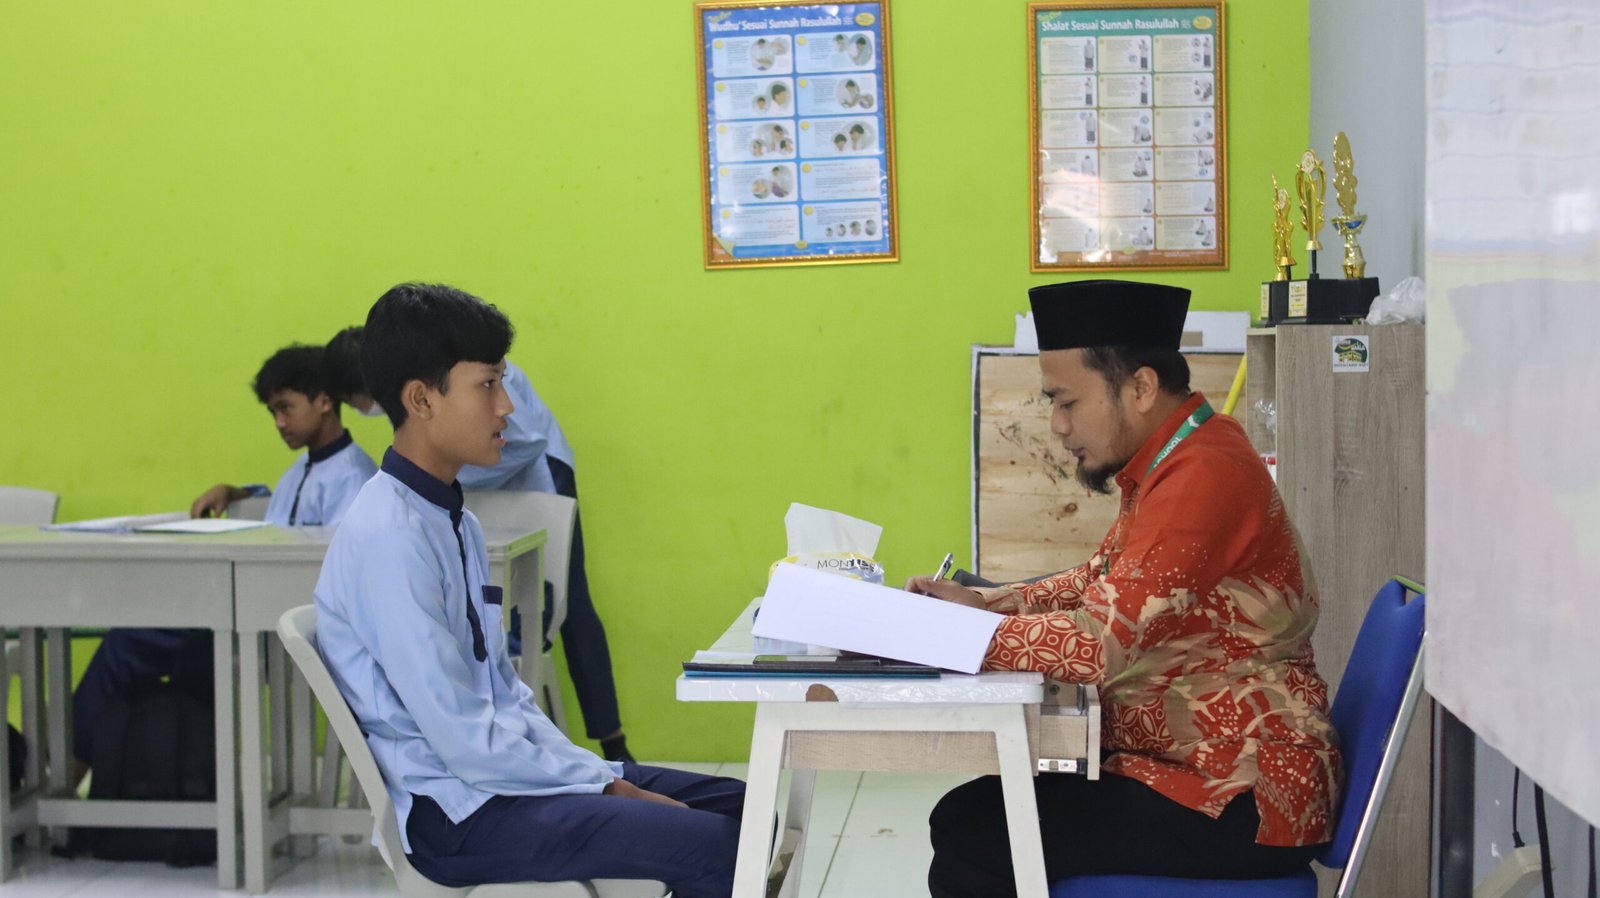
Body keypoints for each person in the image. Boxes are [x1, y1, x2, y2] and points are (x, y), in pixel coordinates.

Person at [907, 280, 1340, 896]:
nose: (1058, 426)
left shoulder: (1204, 474)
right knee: (963, 819)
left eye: (1067, 402)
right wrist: (983, 602)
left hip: (1242, 792)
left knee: (979, 844)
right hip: (1199, 770)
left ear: (1140, 388)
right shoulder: (1180, 457)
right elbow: (1099, 579)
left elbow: (1097, 645)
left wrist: (956, 634)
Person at [315, 283, 743, 894]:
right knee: (720, 845)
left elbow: (503, 695)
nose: (507, 407)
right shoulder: (390, 536)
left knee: (747, 807)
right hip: (459, 811)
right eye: (488, 385)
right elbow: (462, 738)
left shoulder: (453, 519)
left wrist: (592, 774)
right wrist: (605, 787)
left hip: (501, 779)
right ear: (422, 399)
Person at [324, 322, 638, 764]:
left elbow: (528, 443)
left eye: (358, 401)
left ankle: (612, 741)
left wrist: (450, 471)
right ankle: (526, 744)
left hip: (542, 477)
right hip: (486, 494)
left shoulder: (466, 381)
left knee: (569, 606)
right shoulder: (393, 515)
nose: (364, 410)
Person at [74, 345, 377, 776]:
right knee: (150, 659)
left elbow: (330, 568)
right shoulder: (301, 471)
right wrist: (237, 492)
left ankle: (68, 769)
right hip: (254, 616)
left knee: (125, 646)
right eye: (272, 412)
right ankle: (167, 781)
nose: (279, 422)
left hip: (281, 627)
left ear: (325, 401)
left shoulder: (354, 478)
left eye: (286, 408)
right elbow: (283, 517)